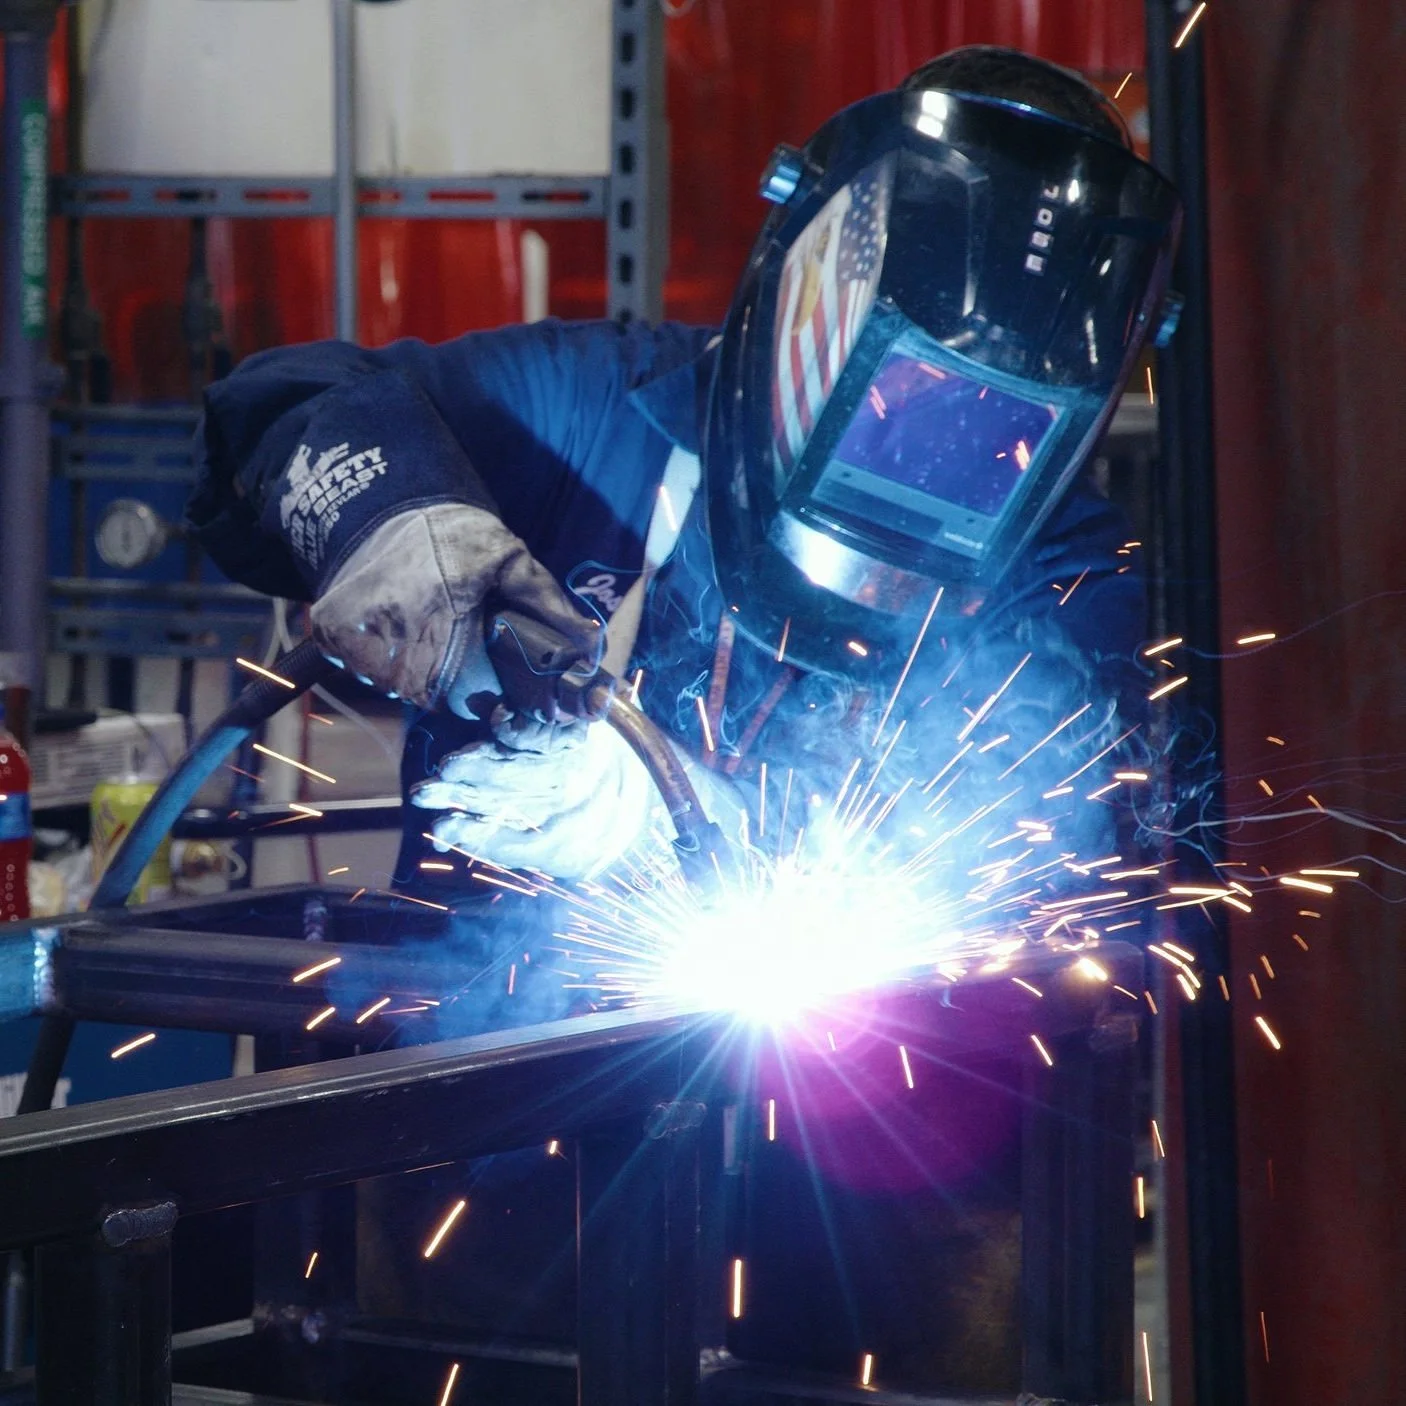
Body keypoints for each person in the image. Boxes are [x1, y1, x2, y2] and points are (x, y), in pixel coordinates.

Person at [186, 46, 1182, 1389]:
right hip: (501, 1133)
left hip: (888, 1174)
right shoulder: (594, 411)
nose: (918, 455)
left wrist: (737, 828)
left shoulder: (1060, 567)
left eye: (974, 436)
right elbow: (285, 404)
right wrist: (402, 523)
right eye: (890, 400)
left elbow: (1080, 815)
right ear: (816, 309)